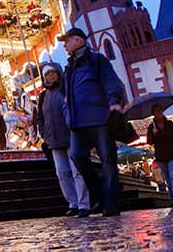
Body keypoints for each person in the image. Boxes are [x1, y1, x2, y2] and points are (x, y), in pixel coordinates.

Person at [60, 26, 126, 216]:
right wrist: (67, 111)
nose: (65, 44)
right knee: (77, 156)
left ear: (79, 41)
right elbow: (65, 93)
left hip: (99, 118)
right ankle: (98, 195)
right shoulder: (69, 67)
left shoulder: (97, 60)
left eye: (68, 40)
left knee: (108, 160)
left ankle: (110, 203)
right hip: (78, 121)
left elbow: (110, 80)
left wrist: (113, 102)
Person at [35, 62, 90, 217]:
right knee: (62, 173)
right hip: (53, 138)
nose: (51, 76)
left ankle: (83, 203)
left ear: (59, 74)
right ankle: (72, 202)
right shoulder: (43, 96)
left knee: (76, 171)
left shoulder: (65, 90)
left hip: (70, 135)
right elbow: (40, 117)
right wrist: (43, 132)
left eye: (53, 73)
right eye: (47, 74)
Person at [146, 103, 173, 207]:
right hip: (161, 157)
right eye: (156, 111)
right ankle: (172, 199)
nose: (159, 113)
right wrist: (153, 134)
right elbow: (149, 142)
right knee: (168, 178)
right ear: (153, 113)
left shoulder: (170, 124)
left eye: (160, 110)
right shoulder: (151, 127)